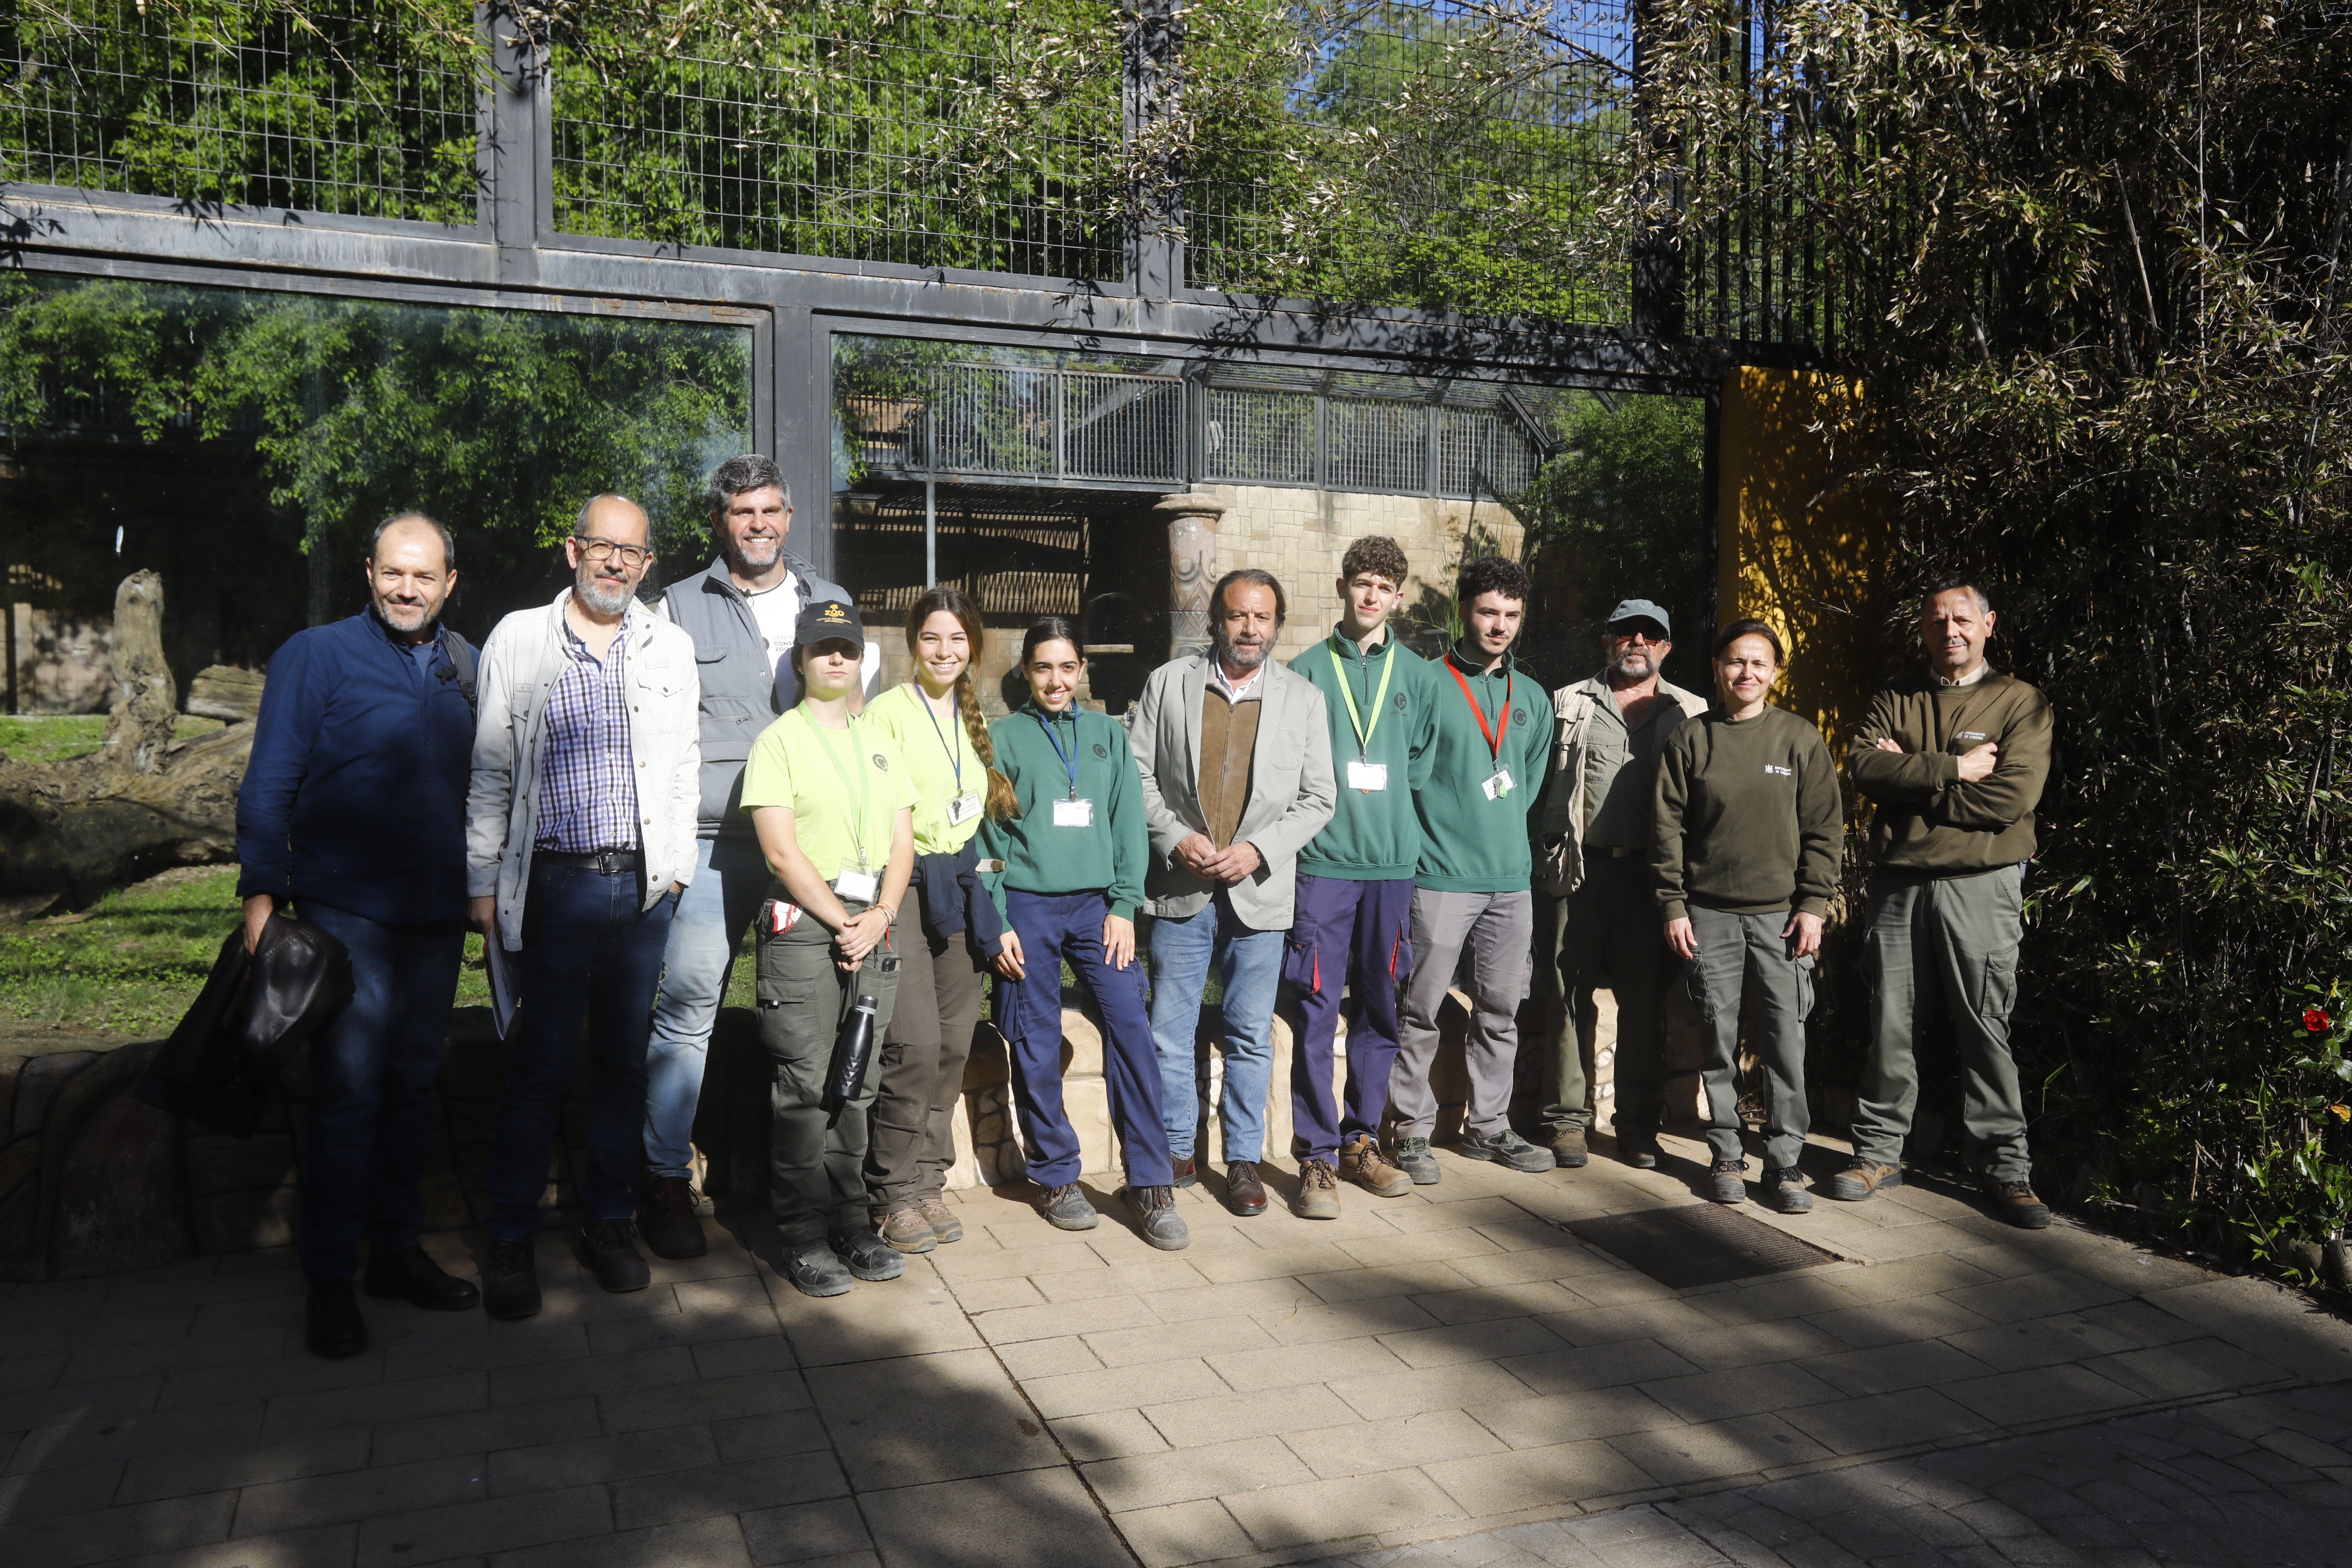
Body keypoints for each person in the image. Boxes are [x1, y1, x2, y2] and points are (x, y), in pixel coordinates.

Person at [238, 513, 481, 1358]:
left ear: (450, 583)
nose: (406, 589)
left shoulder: (466, 666)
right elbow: (269, 781)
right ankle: (331, 1278)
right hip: (346, 913)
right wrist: (262, 894)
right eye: (392, 573)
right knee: (348, 1094)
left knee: (413, 1088)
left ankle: (395, 1252)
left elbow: (482, 792)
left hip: (436, 917)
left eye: (424, 576)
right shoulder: (317, 655)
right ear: (369, 575)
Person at [466, 495, 701, 1321]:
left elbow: (683, 765)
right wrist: (483, 883)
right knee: (540, 1065)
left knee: (624, 1065)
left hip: (641, 889)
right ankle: (510, 1237)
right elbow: (492, 766)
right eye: (601, 547)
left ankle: (608, 1223)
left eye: (631, 553)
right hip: (555, 886)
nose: (615, 563)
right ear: (573, 550)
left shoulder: (669, 645)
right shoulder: (520, 638)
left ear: (646, 563)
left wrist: (674, 870)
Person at [639, 455, 877, 1260]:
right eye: (743, 512)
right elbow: (655, 737)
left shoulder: (826, 601)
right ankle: (666, 1179)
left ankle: (827, 1196)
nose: (759, 525)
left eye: (771, 510)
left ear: (789, 515)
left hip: (812, 850)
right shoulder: (674, 608)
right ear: (719, 522)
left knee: (822, 1016)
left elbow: (857, 727)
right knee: (687, 1012)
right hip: (715, 844)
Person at [1839, 576, 2055, 1228]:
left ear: (1989, 625)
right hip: (1899, 884)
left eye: (1962, 619)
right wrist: (1951, 769)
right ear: (1924, 630)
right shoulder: (1897, 696)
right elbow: (1860, 766)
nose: (1949, 631)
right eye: (1936, 621)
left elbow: (2009, 801)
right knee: (1890, 1024)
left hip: (1982, 886)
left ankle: (2005, 1170)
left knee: (1985, 1025)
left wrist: (1910, 776)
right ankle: (1877, 1154)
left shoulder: (2021, 703)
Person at [1131, 571, 1337, 1217]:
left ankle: (1243, 1160)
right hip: (1182, 881)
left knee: (1251, 1031)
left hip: (1260, 888)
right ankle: (1175, 1151)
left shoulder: (1302, 699)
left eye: (1263, 618)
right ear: (1217, 620)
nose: (1251, 629)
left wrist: (1260, 850)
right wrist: (1173, 835)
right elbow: (1135, 772)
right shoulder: (1168, 684)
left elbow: (1318, 797)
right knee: (1170, 1026)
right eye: (1239, 616)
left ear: (1277, 624)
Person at [983, 621, 1187, 1248]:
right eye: (1044, 668)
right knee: (1036, 1039)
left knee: (1131, 1028)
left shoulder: (1106, 735)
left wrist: (1125, 904)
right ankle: (1055, 1175)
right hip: (1029, 907)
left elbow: (1129, 825)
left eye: (1067, 667)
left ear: (1081, 671)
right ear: (1025, 671)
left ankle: (1150, 1181)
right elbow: (990, 839)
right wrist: (1000, 919)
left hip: (1100, 909)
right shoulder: (1000, 737)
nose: (1056, 680)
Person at [738, 596, 918, 1297]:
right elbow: (781, 852)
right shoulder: (778, 741)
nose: (836, 659)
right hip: (807, 924)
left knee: (859, 1080)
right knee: (807, 1084)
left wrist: (881, 912)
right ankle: (803, 1234)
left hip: (872, 920)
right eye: (823, 649)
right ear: (801, 659)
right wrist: (845, 921)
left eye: (846, 648)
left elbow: (902, 842)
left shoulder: (880, 741)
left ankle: (852, 1221)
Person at [1653, 620, 1841, 1212]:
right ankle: (1727, 1154)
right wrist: (1674, 905)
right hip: (1709, 916)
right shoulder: (1693, 739)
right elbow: (1667, 831)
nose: (1747, 674)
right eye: (1736, 662)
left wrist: (1814, 905)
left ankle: (1785, 1163)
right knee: (1717, 1041)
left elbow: (1824, 830)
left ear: (1775, 672)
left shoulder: (1799, 739)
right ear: (1716, 668)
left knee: (1787, 1044)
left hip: (1783, 919)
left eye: (1759, 663)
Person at [858, 587, 1014, 1253]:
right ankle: (889, 1192)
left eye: (957, 640)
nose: (945, 651)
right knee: (914, 1045)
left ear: (972, 646)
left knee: (953, 1043)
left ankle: (927, 1180)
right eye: (932, 639)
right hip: (906, 887)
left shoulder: (976, 718)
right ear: (910, 643)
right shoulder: (886, 714)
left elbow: (975, 822)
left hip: (959, 889)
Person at [1279, 537, 1432, 1217]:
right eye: (1362, 583)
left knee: (1379, 1007)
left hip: (1392, 869)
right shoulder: (1306, 671)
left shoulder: (1420, 678)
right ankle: (1315, 1158)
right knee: (1315, 1010)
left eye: (1385, 587)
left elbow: (1420, 767)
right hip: (1323, 868)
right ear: (1342, 587)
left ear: (1399, 597)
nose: (1372, 596)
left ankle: (1361, 1139)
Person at [1391, 554, 1556, 1181]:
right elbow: (1410, 782)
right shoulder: (1428, 684)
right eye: (1488, 612)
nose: (1499, 626)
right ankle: (1411, 1132)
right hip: (1438, 877)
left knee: (1500, 1011)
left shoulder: (1532, 698)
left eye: (1511, 615)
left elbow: (1530, 784)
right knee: (1421, 1010)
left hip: (1511, 882)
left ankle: (1489, 1127)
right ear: (1464, 612)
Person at [1533, 600, 1709, 1170]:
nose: (1637, 641)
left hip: (1651, 878)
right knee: (1565, 997)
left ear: (1666, 647)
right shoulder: (1567, 703)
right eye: (1625, 632)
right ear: (1607, 641)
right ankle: (1566, 1122)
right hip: (1576, 869)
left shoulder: (1694, 711)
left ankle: (1637, 1127)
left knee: (1644, 1004)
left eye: (1650, 634)